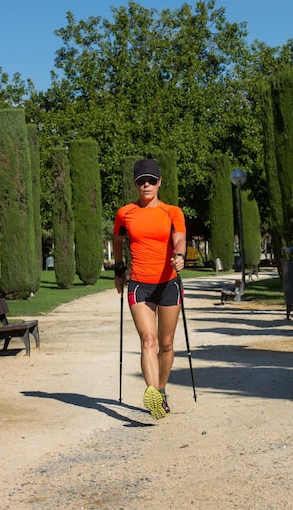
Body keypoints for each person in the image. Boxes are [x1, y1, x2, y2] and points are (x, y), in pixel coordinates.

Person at [113, 158, 186, 419]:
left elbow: (179, 237)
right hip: (139, 285)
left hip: (168, 284)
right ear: (135, 184)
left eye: (151, 181)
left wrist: (180, 254)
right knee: (149, 340)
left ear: (159, 183)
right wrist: (119, 267)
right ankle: (153, 394)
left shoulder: (172, 212)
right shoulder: (125, 213)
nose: (146, 185)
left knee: (166, 344)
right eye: (141, 181)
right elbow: (118, 238)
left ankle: (162, 390)